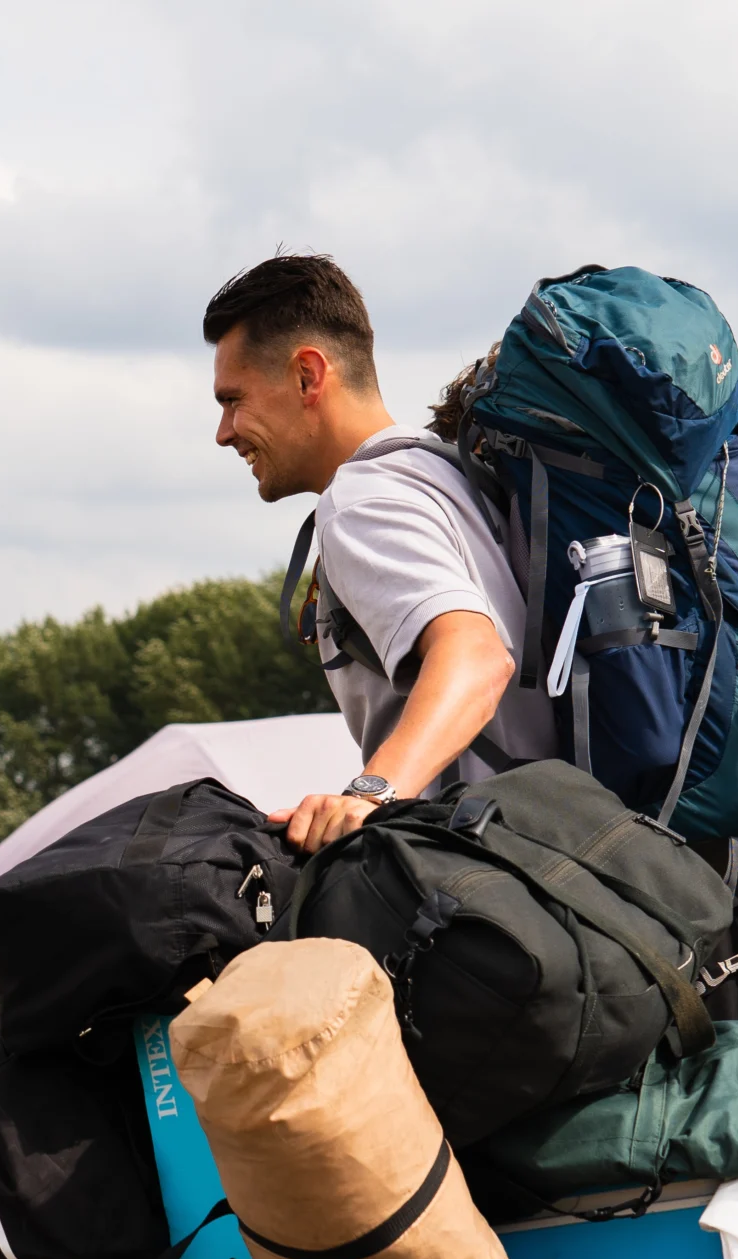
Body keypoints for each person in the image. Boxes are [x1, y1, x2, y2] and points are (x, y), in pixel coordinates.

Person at [205, 254, 556, 852]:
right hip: (576, 846)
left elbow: (476, 656)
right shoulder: (450, 474)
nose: (225, 430)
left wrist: (369, 795)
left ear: (307, 376)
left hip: (496, 870)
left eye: (233, 399)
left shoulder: (362, 499)